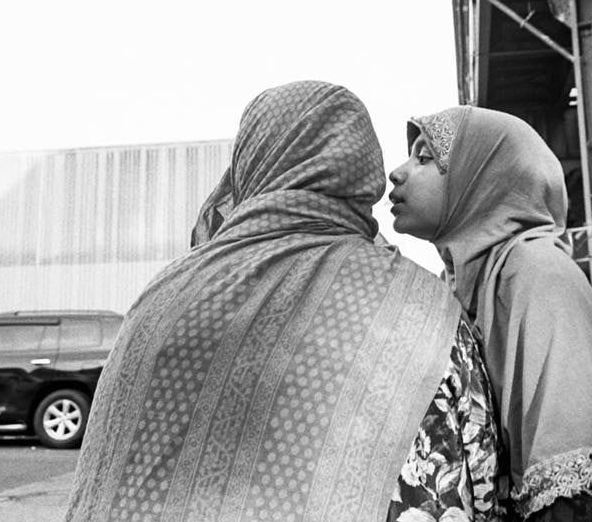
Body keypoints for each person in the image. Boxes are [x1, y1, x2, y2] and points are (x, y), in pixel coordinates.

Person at [66, 82, 505, 522]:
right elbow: (476, 476)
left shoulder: (164, 295)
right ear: (361, 167)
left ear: (251, 161)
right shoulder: (419, 306)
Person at [388, 105, 592, 522]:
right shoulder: (467, 280)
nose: (396, 172)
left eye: (424, 158)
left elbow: (571, 491)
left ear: (479, 181)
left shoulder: (537, 276)